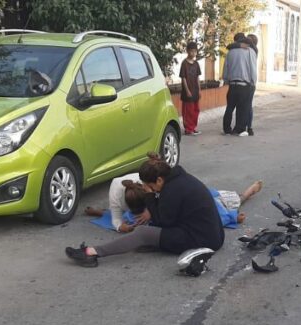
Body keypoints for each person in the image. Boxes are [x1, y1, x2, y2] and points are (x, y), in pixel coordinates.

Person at [65, 153, 225, 268]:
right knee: (147, 234)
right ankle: (154, 243)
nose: (151, 189)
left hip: (203, 240)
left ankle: (92, 253)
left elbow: (163, 221)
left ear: (159, 179)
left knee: (143, 233)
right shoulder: (180, 179)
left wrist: (149, 196)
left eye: (151, 185)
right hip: (213, 235)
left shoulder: (173, 190)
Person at [85, 175, 264, 231]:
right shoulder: (117, 194)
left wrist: (232, 218)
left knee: (226, 202)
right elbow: (118, 217)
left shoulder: (152, 184)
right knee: (127, 218)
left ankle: (246, 193)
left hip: (193, 199)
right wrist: (121, 227)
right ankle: (101, 212)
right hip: (149, 206)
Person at [222, 33, 257, 137]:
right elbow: (253, 68)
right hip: (244, 85)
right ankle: (240, 129)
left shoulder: (230, 52)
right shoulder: (250, 51)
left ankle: (227, 129)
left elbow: (226, 68)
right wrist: (253, 81)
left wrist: (226, 79)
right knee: (243, 108)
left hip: (232, 84)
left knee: (230, 107)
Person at [179, 41, 202, 136]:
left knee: (196, 110)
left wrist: (199, 90)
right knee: (188, 111)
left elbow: (197, 77)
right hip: (187, 92)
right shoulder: (184, 64)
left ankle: (193, 127)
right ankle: (188, 129)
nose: (193, 53)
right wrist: (187, 90)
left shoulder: (196, 64)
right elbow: (183, 78)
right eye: (191, 51)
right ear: (187, 51)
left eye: (195, 51)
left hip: (195, 91)